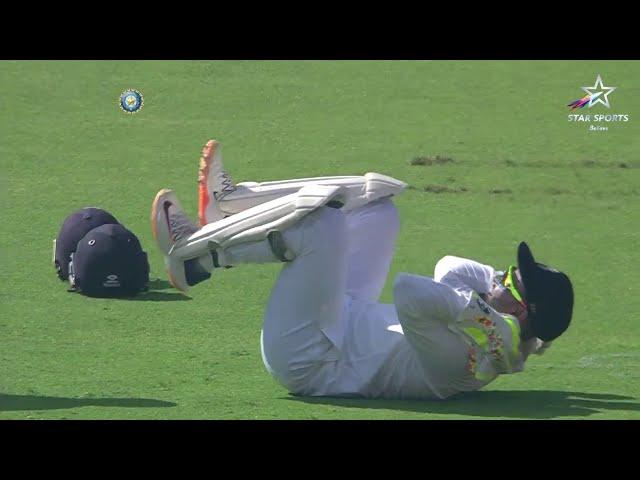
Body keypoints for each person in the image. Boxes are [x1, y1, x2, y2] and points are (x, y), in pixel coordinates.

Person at [149, 140, 574, 399]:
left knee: (323, 224)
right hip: (344, 317)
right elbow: (451, 268)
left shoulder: (468, 364)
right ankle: (231, 203)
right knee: (378, 207)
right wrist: (500, 319)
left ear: (519, 311)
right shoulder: (493, 330)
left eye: (508, 282)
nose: (497, 277)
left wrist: (485, 318)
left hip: (309, 360)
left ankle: (197, 259)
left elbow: (410, 292)